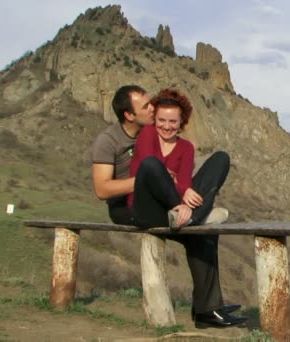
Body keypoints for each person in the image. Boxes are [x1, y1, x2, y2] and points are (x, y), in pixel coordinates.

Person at [91, 85, 246, 328]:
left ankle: (208, 310)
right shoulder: (124, 138)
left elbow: (183, 179)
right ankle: (197, 220)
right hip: (140, 205)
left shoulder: (184, 146)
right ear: (129, 115)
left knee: (220, 162)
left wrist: (183, 192)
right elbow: (104, 188)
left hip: (176, 208)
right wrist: (174, 195)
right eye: (149, 109)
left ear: (182, 121)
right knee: (152, 167)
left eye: (171, 120)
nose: (154, 113)